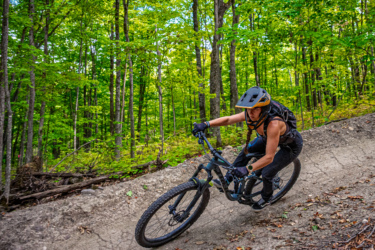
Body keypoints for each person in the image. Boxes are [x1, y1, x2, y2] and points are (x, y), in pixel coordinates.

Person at [192, 86, 303, 210]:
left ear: (263, 109)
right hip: (268, 138)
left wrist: (247, 168)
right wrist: (206, 124)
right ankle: (229, 178)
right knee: (246, 151)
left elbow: (269, 157)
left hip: (290, 146)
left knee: (267, 173)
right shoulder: (250, 114)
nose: (250, 113)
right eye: (248, 109)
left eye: (255, 109)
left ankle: (266, 198)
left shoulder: (274, 124)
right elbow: (228, 119)